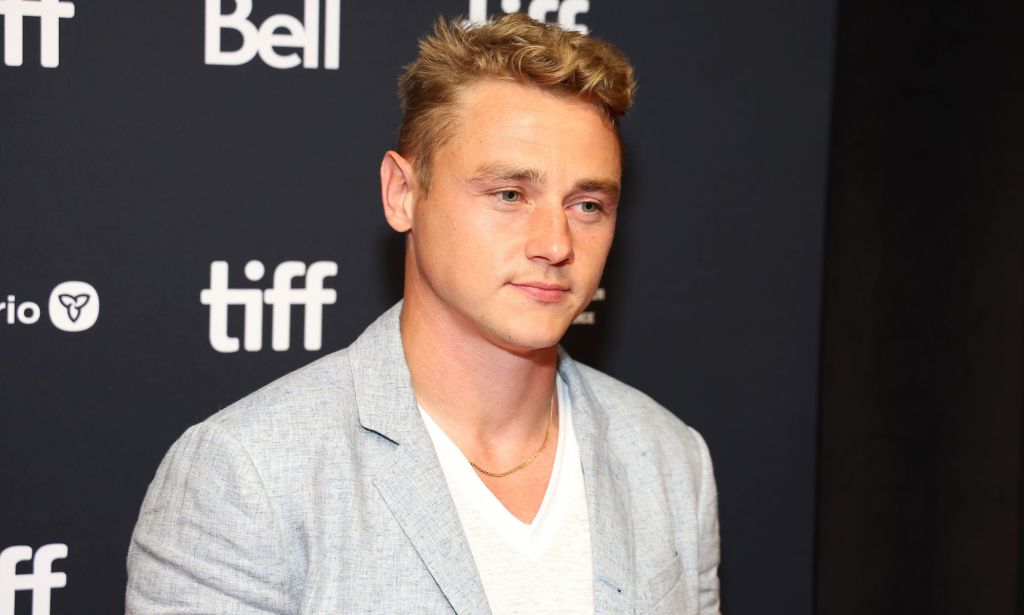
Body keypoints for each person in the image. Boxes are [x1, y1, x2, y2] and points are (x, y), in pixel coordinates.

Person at [126, 13, 720, 615]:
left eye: (588, 204)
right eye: (510, 195)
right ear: (402, 193)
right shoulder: (248, 474)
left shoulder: (670, 458)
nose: (556, 244)